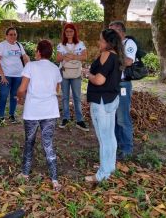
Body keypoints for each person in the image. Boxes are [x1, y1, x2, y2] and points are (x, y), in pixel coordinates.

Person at [16, 39, 62, 191]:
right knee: (48, 143)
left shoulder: (30, 66)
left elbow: (22, 89)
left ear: (39, 52)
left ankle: (25, 173)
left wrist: (20, 99)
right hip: (50, 111)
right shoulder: (55, 68)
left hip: (32, 111)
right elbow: (57, 90)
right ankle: (55, 180)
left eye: (36, 50)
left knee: (29, 142)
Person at [85, 29, 125, 183]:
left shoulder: (106, 54)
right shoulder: (116, 56)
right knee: (110, 136)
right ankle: (109, 166)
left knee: (104, 138)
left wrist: (88, 74)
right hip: (111, 99)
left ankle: (102, 174)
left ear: (108, 42)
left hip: (101, 101)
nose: (98, 42)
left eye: (101, 40)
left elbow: (100, 80)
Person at [108, 21, 137, 160]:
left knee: (123, 118)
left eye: (112, 32)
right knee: (114, 118)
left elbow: (129, 61)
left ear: (120, 31)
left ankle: (126, 149)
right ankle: (117, 146)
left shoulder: (129, 44)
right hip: (112, 84)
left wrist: (112, 59)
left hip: (123, 85)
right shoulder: (113, 46)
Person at [0, 27, 30, 126]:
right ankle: (0, 117)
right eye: (11, 34)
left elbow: (25, 58)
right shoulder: (1, 46)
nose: (13, 36)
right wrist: (2, 75)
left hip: (18, 75)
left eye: (14, 34)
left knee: (15, 96)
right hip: (6, 75)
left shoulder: (19, 45)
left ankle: (11, 115)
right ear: (6, 36)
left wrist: (28, 71)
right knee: (3, 95)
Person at [56, 23, 88, 131]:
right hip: (64, 72)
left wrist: (74, 56)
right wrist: (65, 56)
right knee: (65, 96)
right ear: (64, 33)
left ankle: (80, 120)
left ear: (74, 32)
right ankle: (66, 118)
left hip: (76, 73)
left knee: (77, 96)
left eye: (71, 31)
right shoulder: (61, 45)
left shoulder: (80, 44)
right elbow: (58, 59)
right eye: (67, 31)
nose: (69, 33)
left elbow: (85, 56)